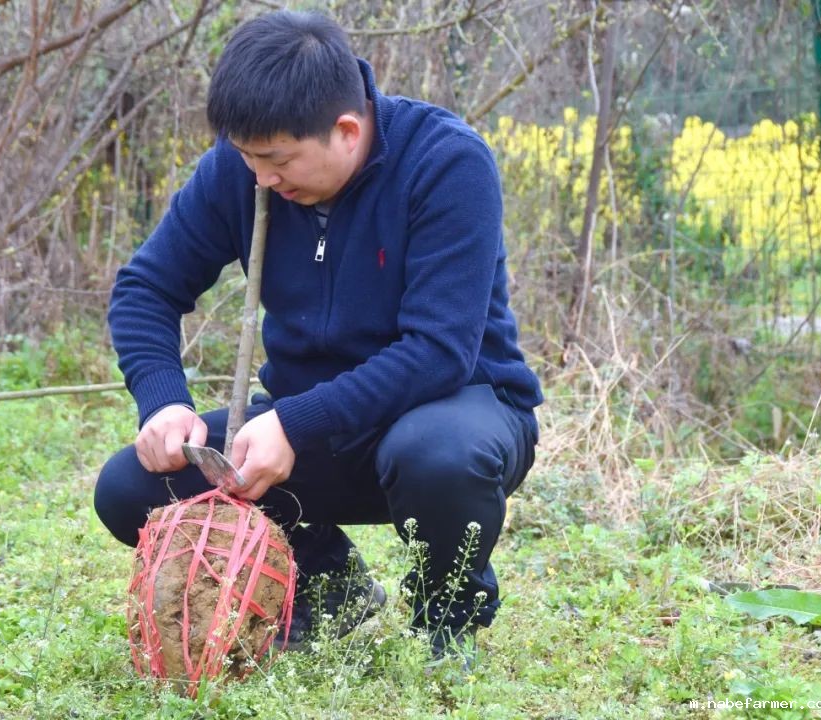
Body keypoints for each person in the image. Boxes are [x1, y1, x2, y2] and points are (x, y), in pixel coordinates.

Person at [94, 10, 543, 669]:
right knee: (130, 486)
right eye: (248, 159)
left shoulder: (447, 163)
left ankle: (448, 626)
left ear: (347, 130)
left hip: (457, 410)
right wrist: (163, 400)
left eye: (278, 161)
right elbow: (145, 290)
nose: (263, 180)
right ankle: (329, 589)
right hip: (317, 430)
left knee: (436, 454)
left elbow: (439, 353)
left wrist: (294, 425)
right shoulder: (239, 173)